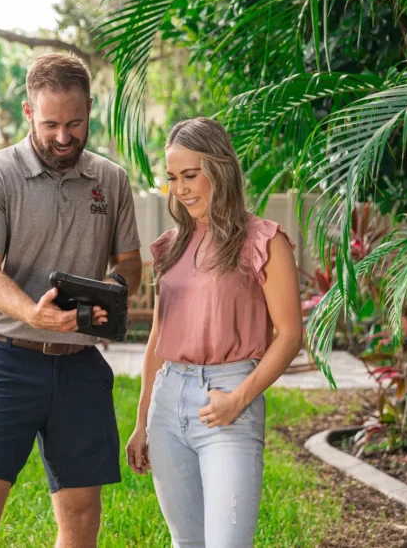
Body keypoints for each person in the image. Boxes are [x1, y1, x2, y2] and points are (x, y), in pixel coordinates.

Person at [0, 53, 143, 548]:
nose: (63, 136)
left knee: (82, 512)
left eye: (75, 123)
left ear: (91, 110)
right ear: (28, 112)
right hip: (6, 359)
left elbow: (129, 265)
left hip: (80, 363)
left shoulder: (111, 181)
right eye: (51, 123)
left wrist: (114, 294)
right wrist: (33, 312)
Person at [125, 117, 303, 548]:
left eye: (190, 175)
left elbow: (291, 334)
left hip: (229, 399)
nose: (181, 189)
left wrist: (239, 398)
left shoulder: (263, 240)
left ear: (220, 169)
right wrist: (142, 420)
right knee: (186, 542)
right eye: (172, 178)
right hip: (168, 405)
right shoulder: (172, 246)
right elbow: (158, 339)